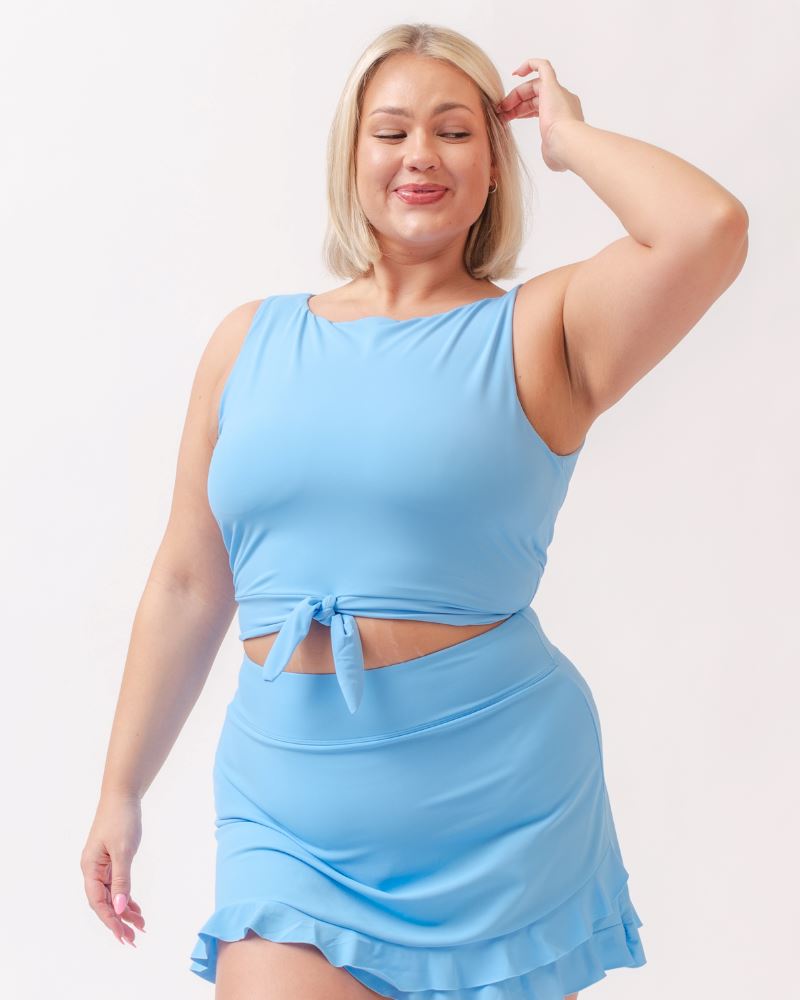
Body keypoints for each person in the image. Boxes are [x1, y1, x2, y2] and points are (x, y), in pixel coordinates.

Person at [80, 22, 749, 1000]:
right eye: (390, 132)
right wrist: (121, 787)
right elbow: (187, 579)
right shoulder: (246, 342)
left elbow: (707, 227)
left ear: (495, 163)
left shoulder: (543, 328)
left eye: (455, 131)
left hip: (494, 809)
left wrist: (567, 138)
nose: (420, 155)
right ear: (351, 156)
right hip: (289, 813)